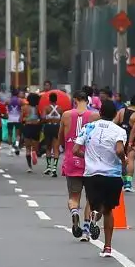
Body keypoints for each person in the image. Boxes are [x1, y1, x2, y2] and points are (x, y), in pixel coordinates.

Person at [76, 99, 129, 256]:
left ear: (100, 113)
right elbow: (119, 150)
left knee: (95, 205)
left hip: (92, 174)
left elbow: (75, 149)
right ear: (114, 114)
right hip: (112, 175)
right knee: (108, 211)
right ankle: (107, 247)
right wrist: (124, 162)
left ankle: (94, 214)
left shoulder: (88, 127)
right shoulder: (119, 131)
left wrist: (89, 158)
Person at [59, 92, 92, 238]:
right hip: (89, 161)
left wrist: (65, 147)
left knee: (73, 196)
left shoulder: (66, 115)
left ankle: (74, 212)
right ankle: (86, 228)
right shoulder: (94, 116)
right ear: (87, 100)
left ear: (75, 100)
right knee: (91, 198)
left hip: (71, 160)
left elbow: (61, 137)